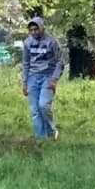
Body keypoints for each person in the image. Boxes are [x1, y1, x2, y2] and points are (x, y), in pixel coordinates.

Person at [20, 12, 65, 141]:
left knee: (43, 105)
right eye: (31, 30)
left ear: (42, 28)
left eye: (36, 29)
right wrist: (24, 82)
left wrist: (54, 79)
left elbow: (60, 61)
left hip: (47, 76)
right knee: (35, 110)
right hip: (32, 77)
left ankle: (51, 131)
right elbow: (26, 63)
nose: (34, 32)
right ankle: (40, 139)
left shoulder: (51, 42)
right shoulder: (28, 43)